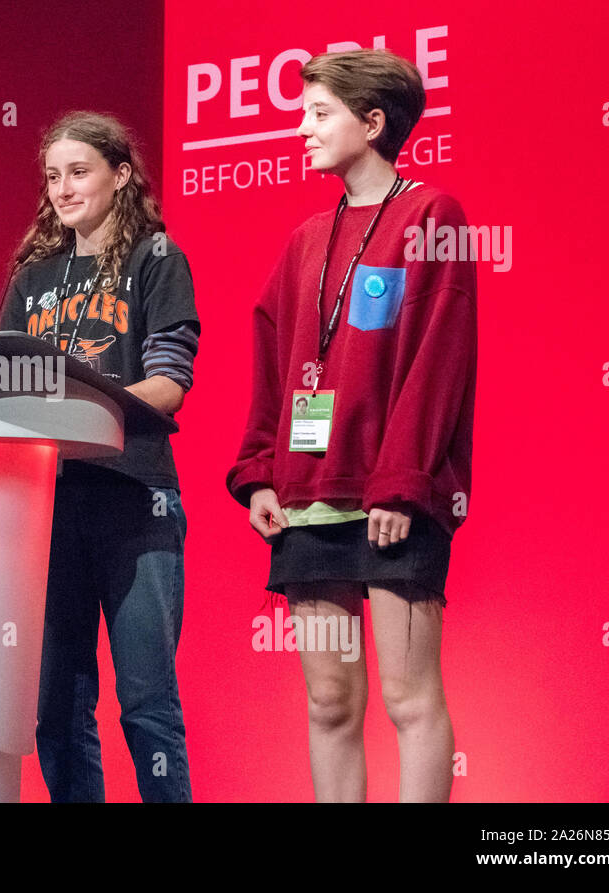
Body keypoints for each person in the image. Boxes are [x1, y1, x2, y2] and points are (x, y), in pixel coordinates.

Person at [227, 49, 476, 802]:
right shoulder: (306, 237)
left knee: (408, 696)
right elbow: (273, 356)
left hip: (393, 499)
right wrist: (262, 469)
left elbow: (440, 359)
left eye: (318, 113)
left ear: (372, 123)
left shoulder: (433, 216)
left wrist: (403, 483)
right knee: (329, 702)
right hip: (310, 496)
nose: (302, 129)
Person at [0, 110, 199, 802]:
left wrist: (76, 413)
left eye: (78, 171)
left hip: (134, 502)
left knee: (145, 704)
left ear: (120, 174)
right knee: (55, 709)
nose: (63, 188)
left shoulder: (156, 258)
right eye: (52, 175)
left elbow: (168, 383)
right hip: (50, 513)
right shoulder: (32, 278)